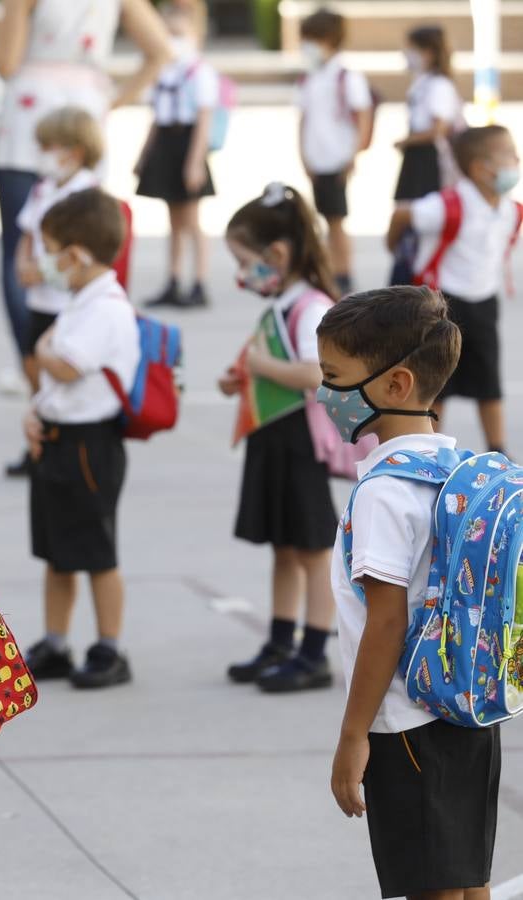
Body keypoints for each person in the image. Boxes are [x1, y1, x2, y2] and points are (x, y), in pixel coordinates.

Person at [320, 287, 500, 900]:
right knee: (461, 881)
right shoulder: (458, 467)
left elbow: (386, 624)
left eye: (334, 378)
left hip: (404, 723)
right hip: (468, 708)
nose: (325, 395)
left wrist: (352, 738)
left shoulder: (382, 493)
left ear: (395, 384)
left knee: (435, 889)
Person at [0, 0, 169, 394]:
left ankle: (31, 363)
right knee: (82, 242)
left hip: (29, 117)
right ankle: (79, 349)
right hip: (86, 111)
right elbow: (161, 50)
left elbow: (7, 61)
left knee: (23, 247)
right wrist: (113, 100)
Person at [218, 183, 340, 693]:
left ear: (279, 254)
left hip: (298, 444)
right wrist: (242, 376)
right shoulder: (284, 301)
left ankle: (313, 652)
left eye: (247, 263)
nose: (244, 275)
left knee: (312, 549)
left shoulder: (310, 305)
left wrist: (262, 366)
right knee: (283, 547)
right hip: (273, 439)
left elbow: (319, 374)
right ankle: (279, 639)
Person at [20, 188, 139, 689]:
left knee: (96, 550)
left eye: (50, 249)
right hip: (59, 436)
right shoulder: (81, 300)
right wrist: (36, 411)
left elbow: (67, 366)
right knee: (57, 550)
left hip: (91, 444)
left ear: (76, 254)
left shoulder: (106, 306)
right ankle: (56, 640)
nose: (45, 261)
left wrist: (44, 348)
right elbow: (57, 377)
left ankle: (109, 646)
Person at [387, 125, 521, 455]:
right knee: (437, 383)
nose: (516, 160)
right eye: (508, 155)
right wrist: (394, 248)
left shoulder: (509, 209)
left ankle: (499, 449)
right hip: (442, 304)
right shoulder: (446, 205)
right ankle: (430, 450)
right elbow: (403, 215)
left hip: (483, 303)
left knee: (489, 384)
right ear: (480, 167)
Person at [5, 105, 103, 477]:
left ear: (74, 149)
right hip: (40, 299)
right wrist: (22, 266)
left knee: (60, 369)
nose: (44, 154)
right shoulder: (44, 188)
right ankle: (40, 434)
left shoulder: (87, 194)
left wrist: (44, 270)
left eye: (50, 146)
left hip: (66, 300)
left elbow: (84, 248)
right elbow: (28, 233)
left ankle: (60, 441)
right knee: (32, 366)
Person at [136, 2, 218, 309]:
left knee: (192, 220)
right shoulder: (163, 72)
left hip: (188, 144)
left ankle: (199, 281)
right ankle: (173, 279)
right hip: (166, 145)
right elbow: (157, 119)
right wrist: (143, 155)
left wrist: (195, 162)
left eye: (179, 34)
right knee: (173, 220)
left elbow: (204, 121)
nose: (173, 40)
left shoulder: (201, 73)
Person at [294, 8, 372, 299]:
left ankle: (343, 272)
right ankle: (331, 270)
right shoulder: (310, 77)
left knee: (337, 220)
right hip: (316, 157)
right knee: (325, 218)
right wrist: (302, 154)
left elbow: (362, 115)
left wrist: (354, 154)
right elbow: (303, 117)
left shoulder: (345, 76)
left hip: (337, 157)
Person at [395, 25, 462, 203]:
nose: (407, 54)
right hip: (417, 155)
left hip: (430, 158)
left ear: (429, 52)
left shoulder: (440, 85)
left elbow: (439, 129)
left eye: (412, 49)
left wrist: (407, 141)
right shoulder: (422, 82)